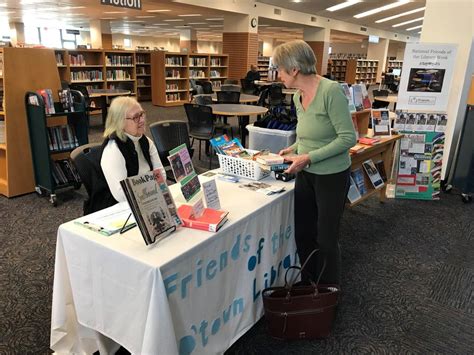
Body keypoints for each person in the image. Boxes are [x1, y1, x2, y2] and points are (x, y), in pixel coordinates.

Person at [273, 40, 357, 285]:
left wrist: (308, 156)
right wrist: (295, 148)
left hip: (331, 175)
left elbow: (348, 138)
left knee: (326, 239)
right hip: (306, 173)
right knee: (304, 234)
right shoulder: (298, 97)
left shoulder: (331, 91)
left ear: (294, 69)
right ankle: (309, 284)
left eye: (279, 69)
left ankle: (328, 290)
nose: (278, 75)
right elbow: (307, 135)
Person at [101, 96, 166, 204]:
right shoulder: (113, 150)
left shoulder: (145, 141)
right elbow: (122, 195)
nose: (142, 120)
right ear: (120, 122)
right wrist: (151, 191)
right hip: (117, 207)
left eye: (141, 114)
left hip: (147, 199)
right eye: (136, 117)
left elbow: (161, 175)